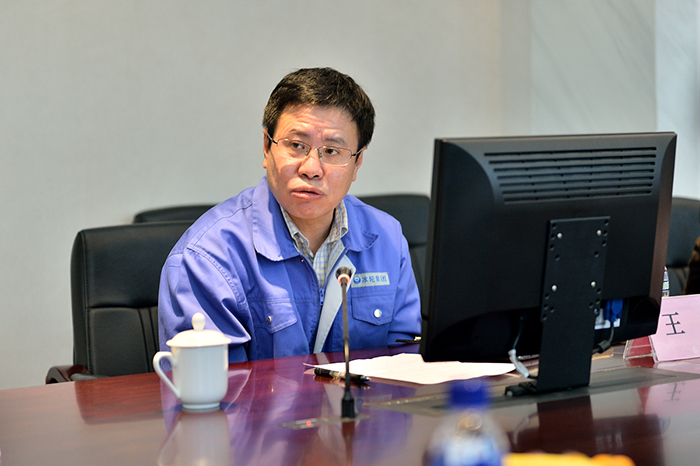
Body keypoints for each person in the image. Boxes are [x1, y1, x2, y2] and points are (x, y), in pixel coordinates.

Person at [158, 67, 421, 362]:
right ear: (266, 147)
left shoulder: (387, 240)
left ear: (357, 162)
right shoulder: (207, 256)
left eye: (332, 151)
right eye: (296, 145)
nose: (311, 168)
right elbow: (217, 386)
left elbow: (405, 366)